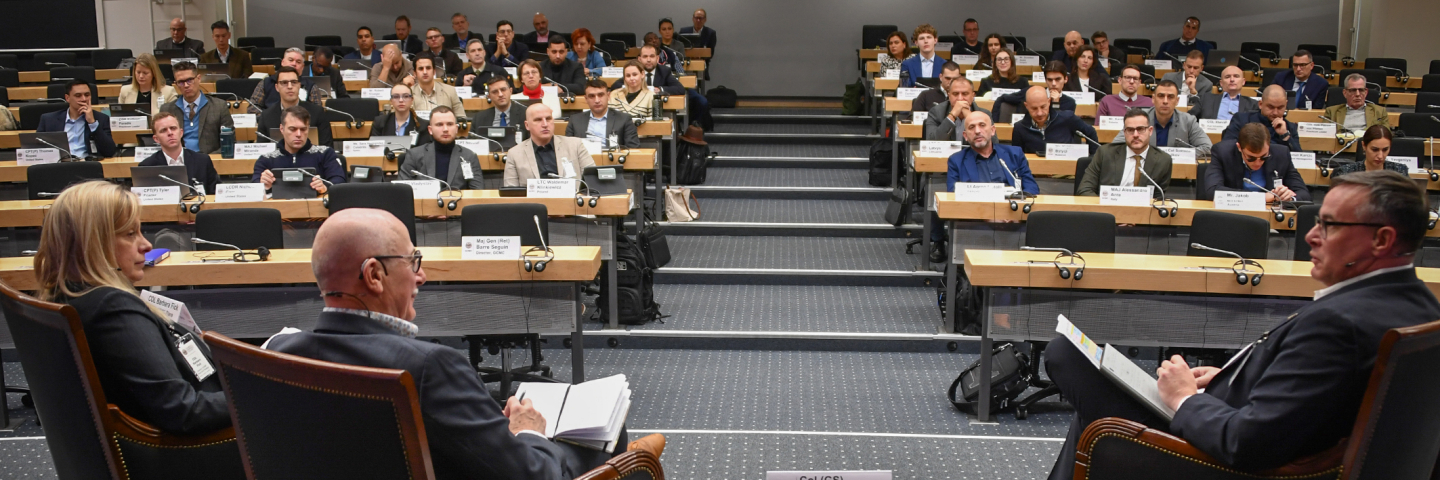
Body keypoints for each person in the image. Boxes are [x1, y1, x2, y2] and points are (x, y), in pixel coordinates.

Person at [1046, 168, 1437, 480]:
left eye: (1329, 225)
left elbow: (1247, 444)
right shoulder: (1419, 304)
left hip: (1220, 462)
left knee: (1069, 357)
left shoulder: (1340, 324)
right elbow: (1314, 398)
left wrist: (1185, 399)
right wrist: (1234, 378)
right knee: (1091, 395)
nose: (1311, 236)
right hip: (1244, 425)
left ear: (1381, 240)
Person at [267, 207, 638, 479]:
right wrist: (527, 431)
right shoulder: (429, 368)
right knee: (608, 436)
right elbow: (533, 476)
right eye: (413, 262)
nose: (422, 276)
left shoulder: (277, 354)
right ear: (374, 275)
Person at [33, 181, 231, 435]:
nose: (146, 245)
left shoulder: (64, 296)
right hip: (204, 445)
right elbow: (183, 411)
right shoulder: (112, 309)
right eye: (129, 234)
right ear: (93, 243)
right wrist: (263, 394)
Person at [1202, 123, 1309, 201]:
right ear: (1239, 147)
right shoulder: (1223, 152)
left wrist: (1289, 197)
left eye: (1264, 157)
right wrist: (1262, 197)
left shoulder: (1281, 154)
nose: (1258, 163)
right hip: (1233, 214)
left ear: (1269, 146)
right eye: (1251, 158)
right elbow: (1212, 191)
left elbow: (1304, 193)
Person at [1081, 109, 1173, 196]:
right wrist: (1105, 205)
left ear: (1150, 131)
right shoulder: (1105, 153)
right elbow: (1084, 190)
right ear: (1124, 133)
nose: (1135, 135)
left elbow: (1158, 198)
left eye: (1140, 129)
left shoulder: (1163, 160)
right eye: (1130, 130)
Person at [253, 105, 345, 192]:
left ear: (308, 129)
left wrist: (325, 186)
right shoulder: (266, 159)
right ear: (282, 129)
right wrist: (263, 185)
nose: (298, 134)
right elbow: (253, 187)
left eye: (303, 129)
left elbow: (339, 180)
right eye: (292, 129)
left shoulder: (325, 153)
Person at [1111, 80, 1212, 156]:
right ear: (1153, 99)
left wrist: (1180, 156)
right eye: (1161, 96)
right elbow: (1115, 147)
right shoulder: (1138, 118)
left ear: (1177, 101)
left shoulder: (1188, 120)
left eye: (1170, 97)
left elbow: (1207, 148)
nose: (1165, 101)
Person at [947, 111, 1038, 195]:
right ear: (965, 136)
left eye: (982, 125)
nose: (977, 131)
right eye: (971, 127)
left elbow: (1032, 188)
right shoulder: (956, 161)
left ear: (992, 130)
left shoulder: (1015, 154)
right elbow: (952, 195)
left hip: (1010, 205)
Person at [504, 104, 594, 186]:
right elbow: (510, 192)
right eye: (538, 120)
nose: (545, 124)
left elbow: (593, 180)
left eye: (548, 119)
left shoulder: (575, 145)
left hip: (571, 198)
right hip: (533, 199)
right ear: (527, 125)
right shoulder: (514, 154)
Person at [398, 106, 482, 189]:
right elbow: (403, 190)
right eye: (439, 125)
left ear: (456, 128)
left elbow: (477, 191)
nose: (445, 129)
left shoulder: (469, 156)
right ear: (430, 130)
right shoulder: (414, 155)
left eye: (450, 124)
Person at [160, 62, 234, 154]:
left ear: (198, 79)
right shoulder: (167, 109)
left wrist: (205, 159)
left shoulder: (219, 106)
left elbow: (229, 143)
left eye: (189, 80)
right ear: (176, 84)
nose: (186, 85)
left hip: (210, 159)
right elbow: (162, 143)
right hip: (179, 160)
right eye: (181, 82)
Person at [139, 112, 219, 193]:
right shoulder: (147, 166)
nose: (170, 133)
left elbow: (216, 193)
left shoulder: (203, 161)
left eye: (173, 128)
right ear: (156, 139)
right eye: (163, 130)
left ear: (181, 133)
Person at [256, 66, 332, 149]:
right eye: (284, 82)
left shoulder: (317, 112)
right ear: (277, 87)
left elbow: (327, 148)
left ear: (299, 85)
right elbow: (262, 150)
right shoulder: (266, 116)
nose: (289, 86)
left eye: (294, 82)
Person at [38, 80, 116, 159]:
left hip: (87, 163)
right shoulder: (49, 120)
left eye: (87, 95)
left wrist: (92, 123)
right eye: (78, 95)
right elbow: (37, 149)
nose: (84, 99)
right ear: (67, 98)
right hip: (60, 163)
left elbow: (109, 152)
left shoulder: (101, 119)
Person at [1011, 85, 1098, 155]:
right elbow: (1016, 158)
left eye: (1043, 107)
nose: (1039, 113)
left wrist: (1092, 161)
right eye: (1034, 108)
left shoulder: (1068, 118)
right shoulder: (1019, 128)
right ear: (1026, 106)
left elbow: (1091, 133)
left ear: (1049, 102)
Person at [1223, 85, 1301, 152]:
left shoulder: (1290, 127)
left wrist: (1285, 135)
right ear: (1260, 104)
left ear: (1286, 105)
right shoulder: (1241, 119)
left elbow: (1299, 157)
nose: (1275, 112)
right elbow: (1226, 148)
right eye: (1271, 107)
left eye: (1280, 107)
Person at [567, 79, 641, 149]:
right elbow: (568, 149)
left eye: (600, 95)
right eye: (592, 96)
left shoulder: (624, 119)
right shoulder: (575, 120)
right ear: (586, 99)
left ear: (608, 96)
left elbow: (633, 149)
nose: (597, 100)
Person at [251, 48, 327, 108]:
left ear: (303, 67)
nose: (294, 64)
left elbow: (317, 111)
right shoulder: (266, 83)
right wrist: (271, 119)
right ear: (282, 62)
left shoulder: (311, 86)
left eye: (298, 62)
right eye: (291, 60)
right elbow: (253, 108)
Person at [924, 77, 990, 141]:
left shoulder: (984, 115)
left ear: (973, 96)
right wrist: (952, 116)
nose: (960, 98)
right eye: (955, 94)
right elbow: (931, 141)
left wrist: (971, 119)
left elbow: (990, 143)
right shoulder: (936, 112)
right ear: (949, 95)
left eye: (965, 94)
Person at [997, 61, 1077, 113]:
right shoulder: (1030, 92)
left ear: (1065, 79)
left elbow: (1059, 126)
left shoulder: (1069, 103)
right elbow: (1002, 98)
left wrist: (1055, 103)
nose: (1053, 83)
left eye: (1057, 79)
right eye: (1049, 80)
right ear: (1045, 80)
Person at [1325, 73, 1390, 132]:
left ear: (1366, 92)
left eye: (1361, 90)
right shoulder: (1331, 112)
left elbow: (1386, 134)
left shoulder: (1380, 111)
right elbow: (1325, 135)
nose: (1357, 94)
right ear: (1345, 93)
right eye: (1353, 90)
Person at [611, 44, 684, 96]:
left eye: (652, 56)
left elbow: (680, 89)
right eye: (645, 57)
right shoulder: (634, 70)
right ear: (639, 59)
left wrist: (659, 89)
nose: (648, 60)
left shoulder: (664, 71)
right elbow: (615, 86)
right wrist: (636, 88)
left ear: (657, 58)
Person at [1189, 66, 1257, 121]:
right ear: (1221, 83)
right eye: (1227, 77)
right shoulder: (1206, 99)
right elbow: (1188, 119)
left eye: (1236, 76)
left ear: (1243, 81)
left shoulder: (1253, 105)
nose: (1232, 80)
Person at [1336, 125, 1407, 176]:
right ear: (1364, 146)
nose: (1380, 156)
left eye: (1385, 150)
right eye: (1375, 150)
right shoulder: (1346, 173)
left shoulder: (1399, 172)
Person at [678, 9, 717, 79]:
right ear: (693, 18)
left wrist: (699, 56)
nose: (698, 20)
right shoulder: (684, 31)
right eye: (696, 18)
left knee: (699, 83)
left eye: (701, 18)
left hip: (701, 65)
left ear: (705, 19)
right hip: (686, 64)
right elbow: (679, 48)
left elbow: (710, 52)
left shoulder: (710, 33)